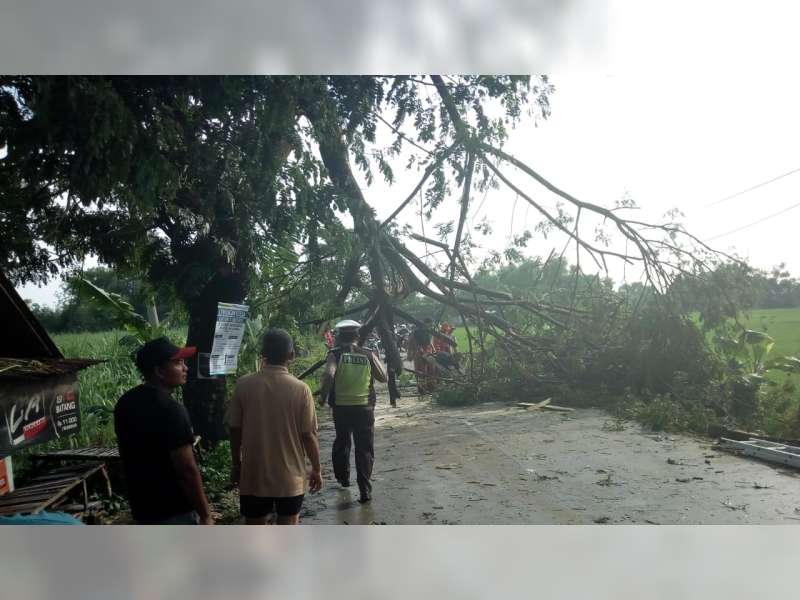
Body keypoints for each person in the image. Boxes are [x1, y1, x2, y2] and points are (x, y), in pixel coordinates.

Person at [225, 328, 322, 525]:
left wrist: (237, 465)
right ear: (291, 355)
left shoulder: (244, 384)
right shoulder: (301, 389)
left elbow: (234, 429)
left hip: (253, 476)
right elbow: (309, 435)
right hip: (290, 479)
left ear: (263, 354)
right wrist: (316, 470)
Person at [114, 337, 214, 525]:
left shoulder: (125, 402)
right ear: (159, 371)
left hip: (143, 507)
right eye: (178, 363)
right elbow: (187, 469)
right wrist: (206, 514)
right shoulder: (171, 410)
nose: (186, 368)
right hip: (174, 510)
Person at [320, 319, 388, 504]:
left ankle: (343, 478)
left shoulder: (335, 354)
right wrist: (375, 359)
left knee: (342, 442)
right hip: (364, 408)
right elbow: (383, 377)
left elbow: (328, 374)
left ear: (339, 337)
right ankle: (365, 489)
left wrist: (322, 397)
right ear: (358, 336)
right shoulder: (367, 353)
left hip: (341, 408)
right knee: (364, 449)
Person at [406, 318, 436, 394]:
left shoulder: (429, 331)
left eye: (431, 325)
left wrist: (433, 349)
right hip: (419, 352)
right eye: (429, 325)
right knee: (421, 371)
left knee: (431, 370)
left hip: (428, 351)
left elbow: (430, 342)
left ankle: (431, 387)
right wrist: (411, 353)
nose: (430, 326)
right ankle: (422, 389)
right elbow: (411, 342)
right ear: (425, 324)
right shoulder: (416, 332)